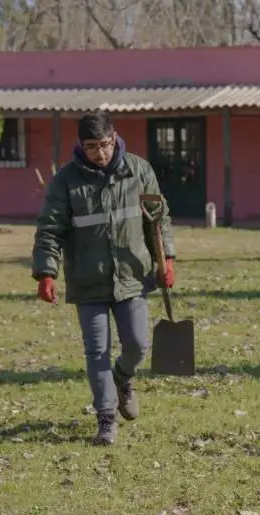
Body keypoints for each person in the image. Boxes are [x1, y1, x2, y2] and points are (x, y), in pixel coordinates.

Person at [31, 110, 176, 446]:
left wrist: (165, 259)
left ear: (115, 137)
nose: (101, 153)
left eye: (106, 144)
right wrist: (46, 272)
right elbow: (50, 229)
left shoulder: (139, 171)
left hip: (132, 276)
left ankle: (122, 378)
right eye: (92, 146)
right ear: (81, 146)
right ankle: (106, 420)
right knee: (96, 350)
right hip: (87, 280)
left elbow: (159, 220)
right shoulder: (65, 181)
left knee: (138, 346)